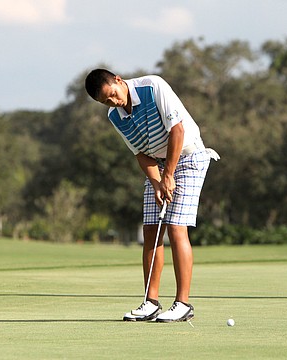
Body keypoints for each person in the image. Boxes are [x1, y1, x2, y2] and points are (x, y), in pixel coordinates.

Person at [84, 69, 218, 322]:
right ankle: (150, 302)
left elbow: (177, 130)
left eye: (112, 94)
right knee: (151, 229)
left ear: (118, 81)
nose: (113, 102)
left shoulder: (152, 86)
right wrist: (157, 182)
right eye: (106, 101)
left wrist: (168, 174)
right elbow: (140, 153)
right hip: (158, 164)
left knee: (177, 227)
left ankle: (183, 303)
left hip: (189, 157)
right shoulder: (115, 116)